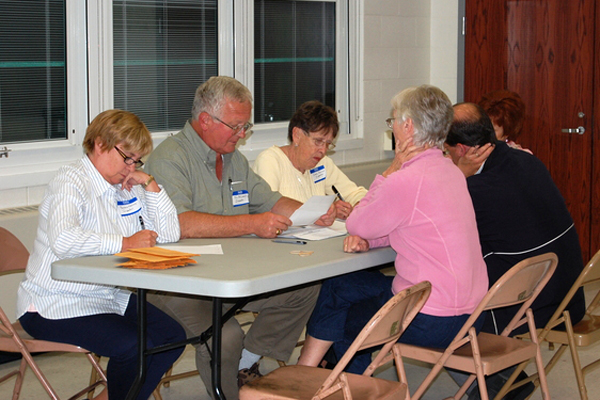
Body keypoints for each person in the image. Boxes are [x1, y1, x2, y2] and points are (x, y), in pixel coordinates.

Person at [144, 76, 331, 400]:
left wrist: (314, 212)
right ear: (205, 120)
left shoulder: (234, 159)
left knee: (302, 291)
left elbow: (270, 199)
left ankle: (246, 365)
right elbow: (180, 224)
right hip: (178, 282)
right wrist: (251, 223)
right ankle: (229, 393)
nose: (242, 135)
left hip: (231, 276)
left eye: (246, 127)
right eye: (236, 126)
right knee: (225, 334)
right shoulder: (170, 158)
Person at [296, 85, 488, 374]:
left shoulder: (406, 179)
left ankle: (311, 380)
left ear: (408, 126)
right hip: (472, 314)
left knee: (345, 316)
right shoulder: (451, 170)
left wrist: (391, 170)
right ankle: (319, 377)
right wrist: (371, 241)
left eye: (393, 120)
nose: (392, 126)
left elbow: (357, 222)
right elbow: (411, 223)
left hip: (431, 319)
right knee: (341, 287)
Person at [16, 109, 186, 400]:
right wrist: (125, 243)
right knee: (133, 345)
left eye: (137, 160)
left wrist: (150, 184)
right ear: (99, 144)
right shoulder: (70, 180)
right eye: (126, 157)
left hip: (102, 297)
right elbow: (64, 240)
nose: (130, 166)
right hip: (52, 303)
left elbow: (170, 234)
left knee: (172, 338)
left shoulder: (126, 186)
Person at [444, 102, 586, 399]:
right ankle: (509, 381)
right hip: (567, 295)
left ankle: (499, 387)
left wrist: (459, 178)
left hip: (532, 303)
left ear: (460, 150)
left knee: (440, 316)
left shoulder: (476, 189)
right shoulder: (526, 161)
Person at [253, 100, 367, 220]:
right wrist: (325, 210)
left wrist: (357, 207)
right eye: (318, 141)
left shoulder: (322, 163)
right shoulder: (270, 161)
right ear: (297, 135)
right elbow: (269, 210)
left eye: (328, 144)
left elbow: (355, 193)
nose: (323, 150)